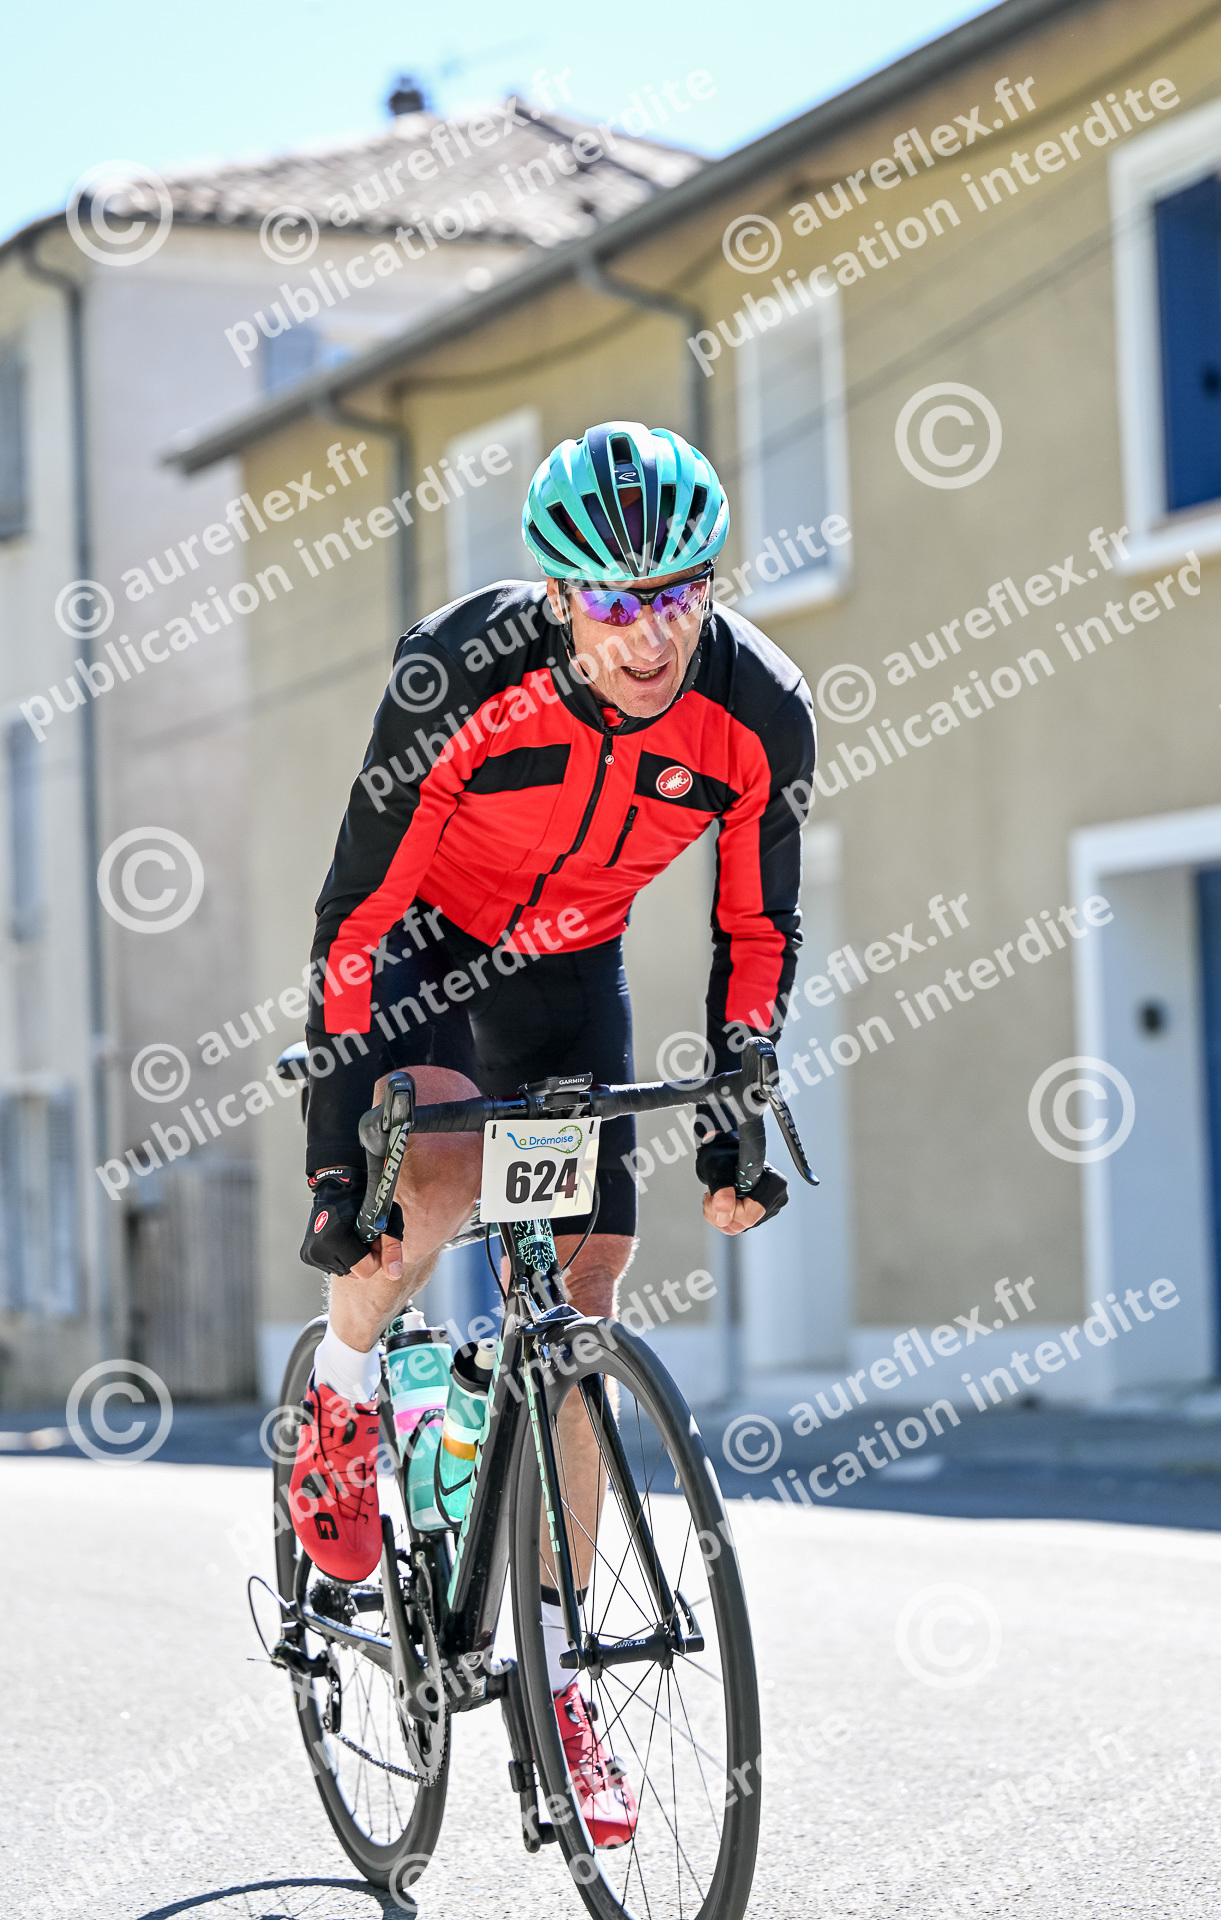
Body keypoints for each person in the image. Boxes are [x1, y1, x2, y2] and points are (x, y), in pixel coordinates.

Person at [288, 420, 815, 1841]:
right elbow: (355, 915)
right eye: (615, 600)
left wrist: (739, 1105)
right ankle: (342, 1394)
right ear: (560, 593)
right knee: (433, 1188)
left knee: (584, 1295)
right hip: (421, 944)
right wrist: (340, 1155)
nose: (652, 634)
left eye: (680, 592)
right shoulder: (460, 673)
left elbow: (758, 927)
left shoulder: (757, 710)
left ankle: (560, 1670)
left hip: (569, 967)